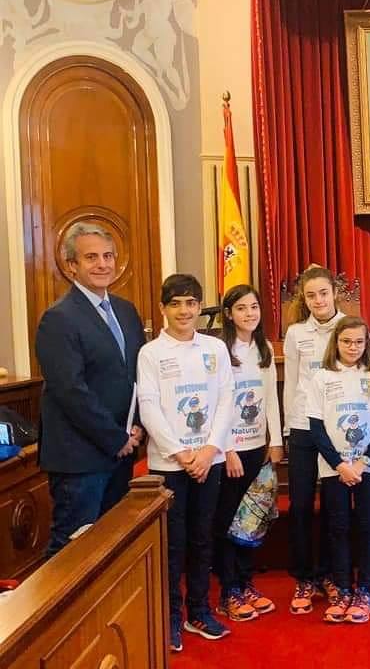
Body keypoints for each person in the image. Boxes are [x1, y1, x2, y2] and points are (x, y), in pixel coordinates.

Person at [137, 274, 234, 652]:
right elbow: (149, 407)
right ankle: (172, 615)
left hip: (210, 460)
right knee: (172, 544)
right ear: (163, 309)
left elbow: (227, 399)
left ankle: (199, 609)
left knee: (203, 537)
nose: (184, 310)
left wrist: (210, 450)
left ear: (199, 307)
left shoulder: (215, 348)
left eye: (191, 302)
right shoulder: (151, 353)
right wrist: (180, 453)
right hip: (170, 464)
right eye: (175, 303)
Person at [35, 223, 145, 557]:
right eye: (91, 257)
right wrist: (116, 438)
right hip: (80, 459)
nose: (103, 264)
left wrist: (137, 427)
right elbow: (70, 391)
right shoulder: (58, 319)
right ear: (71, 266)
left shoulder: (126, 311)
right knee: (72, 553)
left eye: (108, 256)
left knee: (113, 549)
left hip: (123, 452)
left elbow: (138, 375)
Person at [306, 316, 370, 624]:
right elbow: (316, 428)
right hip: (334, 468)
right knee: (337, 528)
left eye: (359, 341)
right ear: (335, 343)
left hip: (367, 466)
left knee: (367, 526)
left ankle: (365, 590)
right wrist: (340, 465)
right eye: (346, 341)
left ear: (367, 343)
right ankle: (341, 588)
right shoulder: (322, 378)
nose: (353, 347)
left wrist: (362, 463)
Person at [212, 285, 284, 623]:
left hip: (258, 447)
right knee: (227, 520)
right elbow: (217, 403)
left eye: (254, 307)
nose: (249, 314)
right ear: (229, 314)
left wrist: (276, 439)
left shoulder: (264, 348)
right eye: (241, 308)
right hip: (230, 451)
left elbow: (270, 397)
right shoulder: (219, 350)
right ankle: (229, 590)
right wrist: (227, 449)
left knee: (250, 520)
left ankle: (246, 582)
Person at [283, 265, 345, 614]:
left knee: (335, 507)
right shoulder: (295, 333)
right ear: (304, 299)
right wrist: (289, 430)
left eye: (323, 292)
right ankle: (305, 577)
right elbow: (291, 382)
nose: (318, 300)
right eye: (311, 295)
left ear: (334, 292)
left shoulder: (350, 328)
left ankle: (332, 575)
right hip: (304, 427)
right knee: (302, 505)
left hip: (337, 430)